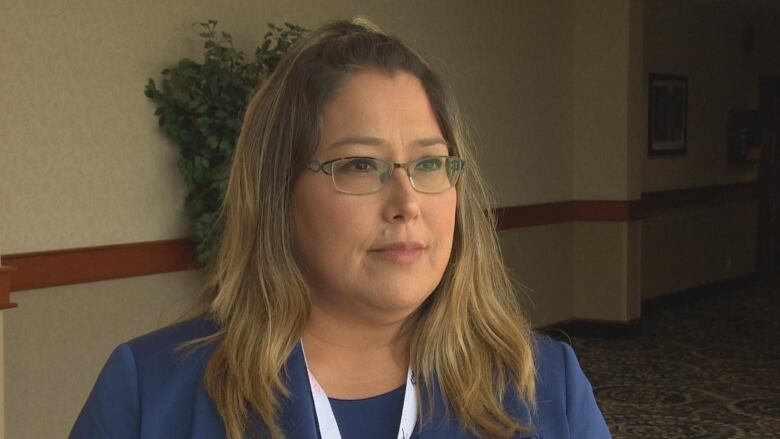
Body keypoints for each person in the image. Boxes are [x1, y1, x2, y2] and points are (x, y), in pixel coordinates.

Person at [70, 18, 611, 439]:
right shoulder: (151, 392)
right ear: (279, 195)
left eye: (428, 164)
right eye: (359, 165)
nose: (406, 203)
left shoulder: (545, 387)